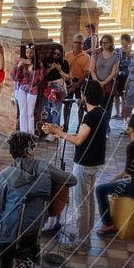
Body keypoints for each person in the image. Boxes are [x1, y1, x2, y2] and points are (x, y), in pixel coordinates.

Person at [0, 132, 76, 268]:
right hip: (36, 227)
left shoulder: (4, 175)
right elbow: (72, 180)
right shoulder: (45, 167)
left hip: (11, 232)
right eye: (34, 147)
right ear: (28, 150)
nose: (36, 150)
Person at [43, 81, 107, 255]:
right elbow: (83, 137)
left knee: (81, 204)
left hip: (85, 164)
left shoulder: (91, 116)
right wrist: (60, 131)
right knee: (89, 202)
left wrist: (58, 133)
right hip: (93, 164)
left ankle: (81, 243)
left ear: (85, 96)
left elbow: (79, 140)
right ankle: (84, 238)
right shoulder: (101, 112)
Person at [94, 114, 134, 236]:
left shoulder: (133, 146)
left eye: (127, 122)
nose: (125, 124)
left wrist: (115, 178)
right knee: (115, 186)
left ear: (131, 129)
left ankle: (108, 224)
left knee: (100, 189)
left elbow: (129, 172)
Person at [90, 34, 119, 135]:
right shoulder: (96, 54)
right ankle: (95, 126)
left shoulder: (115, 57)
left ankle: (105, 126)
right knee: (96, 105)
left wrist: (104, 82)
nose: (103, 44)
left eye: (106, 42)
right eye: (102, 42)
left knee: (107, 106)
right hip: (96, 82)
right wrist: (98, 82)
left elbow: (113, 73)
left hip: (107, 84)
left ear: (110, 43)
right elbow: (92, 70)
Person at [41, 45, 70, 140]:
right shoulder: (46, 61)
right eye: (54, 53)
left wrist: (59, 69)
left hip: (58, 87)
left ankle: (55, 132)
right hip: (48, 87)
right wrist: (50, 68)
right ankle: (49, 130)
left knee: (56, 110)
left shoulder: (64, 63)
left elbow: (67, 77)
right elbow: (43, 75)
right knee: (46, 109)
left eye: (58, 54)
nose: (56, 55)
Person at [11, 44, 42, 135]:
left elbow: (39, 79)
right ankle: (24, 133)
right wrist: (19, 67)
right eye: (27, 52)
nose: (29, 54)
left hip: (33, 90)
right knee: (22, 112)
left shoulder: (38, 63)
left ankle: (30, 133)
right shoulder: (21, 62)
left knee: (30, 113)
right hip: (22, 89)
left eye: (31, 53)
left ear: (34, 53)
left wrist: (32, 70)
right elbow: (14, 77)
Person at [64, 33, 91, 130]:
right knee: (67, 103)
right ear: (73, 42)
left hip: (80, 81)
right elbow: (65, 69)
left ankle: (79, 125)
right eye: (76, 42)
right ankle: (65, 125)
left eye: (80, 43)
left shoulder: (86, 57)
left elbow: (86, 72)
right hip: (69, 81)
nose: (77, 44)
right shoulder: (67, 55)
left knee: (80, 104)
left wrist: (77, 84)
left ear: (83, 44)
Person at [113, 34, 134, 119]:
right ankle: (117, 112)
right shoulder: (117, 51)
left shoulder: (132, 53)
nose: (122, 41)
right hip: (118, 75)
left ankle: (123, 113)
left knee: (124, 95)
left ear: (128, 42)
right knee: (116, 94)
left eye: (124, 40)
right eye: (121, 39)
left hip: (127, 76)